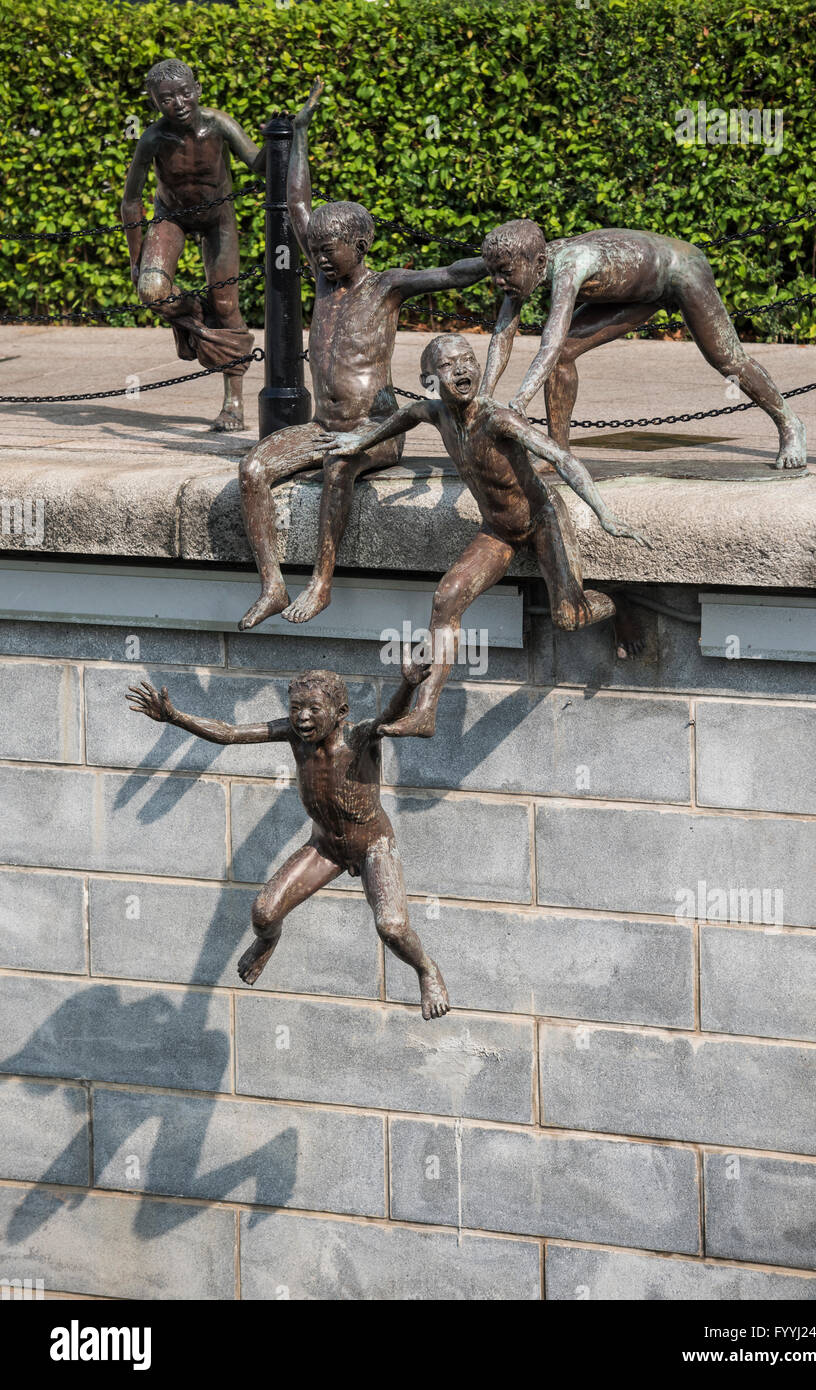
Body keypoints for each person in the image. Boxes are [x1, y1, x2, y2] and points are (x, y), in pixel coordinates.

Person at [236, 78, 489, 632]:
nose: (321, 261)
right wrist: (298, 134)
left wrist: (495, 259)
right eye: (317, 253)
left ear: (360, 246)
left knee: (338, 466)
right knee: (253, 468)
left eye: (331, 253)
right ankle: (273, 584)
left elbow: (449, 274)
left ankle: (322, 584)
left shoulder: (387, 287)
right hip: (325, 423)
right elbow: (298, 205)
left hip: (375, 430)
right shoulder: (327, 284)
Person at [322, 333, 649, 737]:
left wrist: (604, 513)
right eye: (448, 365)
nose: (461, 369)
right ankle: (426, 711)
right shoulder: (434, 413)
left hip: (543, 520)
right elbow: (403, 416)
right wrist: (359, 439)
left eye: (468, 360)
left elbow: (561, 457)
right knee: (446, 598)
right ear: (430, 381)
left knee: (567, 616)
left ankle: (618, 601)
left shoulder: (498, 419)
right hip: (497, 531)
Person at [125, 661, 450, 1019]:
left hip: (372, 845)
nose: (302, 718)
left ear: (340, 713)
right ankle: (268, 941)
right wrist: (175, 718)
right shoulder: (294, 736)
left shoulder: (359, 738)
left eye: (313, 709)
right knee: (263, 914)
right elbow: (230, 733)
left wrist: (406, 686)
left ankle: (426, 969)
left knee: (392, 928)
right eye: (295, 708)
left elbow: (389, 716)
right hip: (327, 847)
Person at [478, 218, 807, 469]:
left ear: (536, 263)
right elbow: (502, 331)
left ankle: (790, 424)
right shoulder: (523, 266)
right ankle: (559, 453)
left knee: (728, 359)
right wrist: (483, 396)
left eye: (504, 273)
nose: (497, 281)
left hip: (679, 271)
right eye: (496, 273)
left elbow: (549, 341)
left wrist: (520, 400)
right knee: (565, 355)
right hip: (638, 289)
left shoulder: (569, 266)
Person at [121, 58, 264, 431]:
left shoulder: (219, 125)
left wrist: (288, 135)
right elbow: (131, 201)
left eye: (185, 93)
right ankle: (198, 314)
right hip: (172, 217)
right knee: (151, 289)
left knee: (227, 305)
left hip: (218, 219)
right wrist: (137, 259)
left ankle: (233, 403)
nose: (179, 103)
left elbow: (258, 164)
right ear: (154, 101)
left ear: (197, 90)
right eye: (167, 98)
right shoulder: (153, 138)